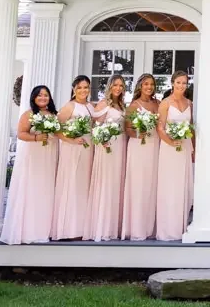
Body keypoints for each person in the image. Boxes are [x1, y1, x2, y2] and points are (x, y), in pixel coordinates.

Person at [0, 85, 59, 244]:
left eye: (46, 95)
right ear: (34, 97)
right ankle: (28, 231)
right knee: (32, 188)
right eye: (39, 95)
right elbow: (21, 134)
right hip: (33, 155)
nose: (43, 98)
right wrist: (36, 138)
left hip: (49, 154)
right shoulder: (29, 114)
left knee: (46, 189)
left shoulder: (54, 114)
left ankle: (43, 229)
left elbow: (59, 132)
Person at [83, 75, 128, 242]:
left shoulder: (121, 105)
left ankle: (113, 227)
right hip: (107, 147)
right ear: (109, 86)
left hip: (120, 146)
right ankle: (101, 227)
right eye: (115, 85)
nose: (118, 88)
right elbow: (96, 127)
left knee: (117, 184)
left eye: (121, 85)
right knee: (106, 183)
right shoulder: (103, 104)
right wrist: (103, 141)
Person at [51, 76, 95, 241]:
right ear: (74, 89)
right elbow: (57, 129)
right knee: (72, 184)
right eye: (80, 87)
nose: (83, 90)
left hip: (88, 149)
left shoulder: (90, 106)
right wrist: (72, 139)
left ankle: (82, 227)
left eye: (86, 87)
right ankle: (67, 229)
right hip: (73, 148)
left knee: (84, 186)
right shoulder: (69, 106)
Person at [154, 70, 195, 241]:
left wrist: (194, 150)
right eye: (178, 82)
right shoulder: (165, 103)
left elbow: (192, 127)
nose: (181, 86)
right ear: (172, 83)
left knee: (183, 186)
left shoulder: (190, 103)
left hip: (185, 147)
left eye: (184, 83)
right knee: (169, 187)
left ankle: (181, 227)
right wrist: (171, 142)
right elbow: (160, 127)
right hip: (169, 148)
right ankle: (167, 230)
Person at [121, 73, 161, 240]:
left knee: (153, 186)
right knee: (139, 185)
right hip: (139, 148)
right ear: (140, 86)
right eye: (146, 84)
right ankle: (137, 228)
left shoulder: (158, 104)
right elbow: (127, 129)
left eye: (151, 84)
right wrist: (138, 133)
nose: (149, 87)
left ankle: (151, 228)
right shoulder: (133, 106)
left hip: (155, 147)